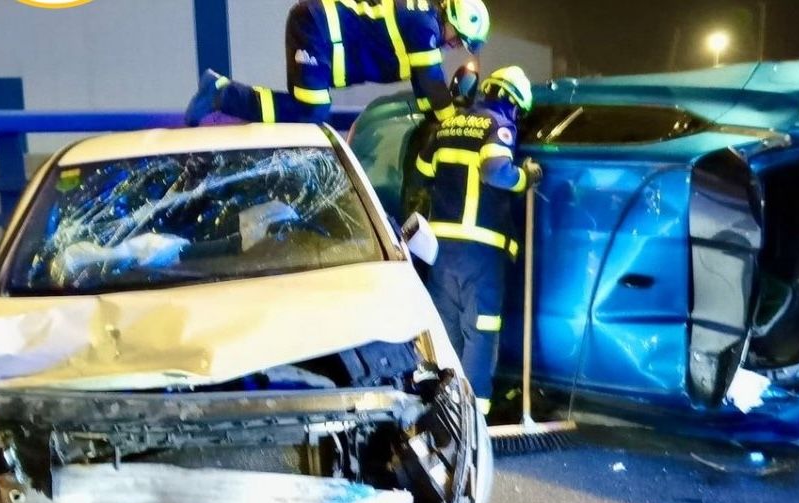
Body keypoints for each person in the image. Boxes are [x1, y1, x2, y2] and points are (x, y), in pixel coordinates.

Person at [415, 66, 541, 416]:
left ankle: (444, 413)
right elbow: (496, 172)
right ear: (513, 103)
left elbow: (423, 173)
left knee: (447, 333)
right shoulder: (497, 126)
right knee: (480, 333)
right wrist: (525, 177)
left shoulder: (448, 125)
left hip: (440, 251)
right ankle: (475, 419)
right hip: (480, 251)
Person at [185, 0, 490, 126]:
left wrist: (434, 120)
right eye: (458, 39)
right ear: (451, 19)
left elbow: (425, 92)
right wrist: (453, 122)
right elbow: (431, 83)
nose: (453, 46)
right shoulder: (424, 28)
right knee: (312, 111)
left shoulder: (425, 24)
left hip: (319, 30)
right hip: (316, 28)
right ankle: (219, 93)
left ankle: (221, 92)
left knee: (307, 109)